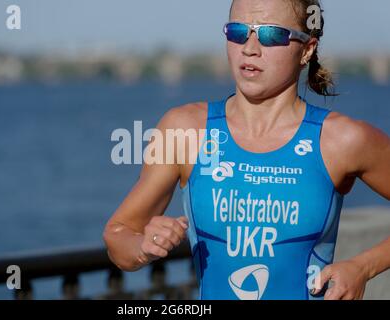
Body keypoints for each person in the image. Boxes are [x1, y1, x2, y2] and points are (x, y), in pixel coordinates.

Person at [103, 0, 390, 300]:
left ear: (307, 49)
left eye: (271, 35)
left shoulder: (343, 139)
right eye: (238, 32)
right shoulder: (186, 130)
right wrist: (143, 247)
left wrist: (363, 268)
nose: (250, 48)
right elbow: (118, 235)